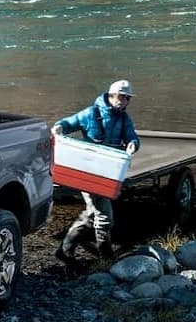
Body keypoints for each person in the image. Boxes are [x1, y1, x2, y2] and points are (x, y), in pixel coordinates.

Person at [53, 79, 141, 262]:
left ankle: (65, 250)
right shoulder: (91, 113)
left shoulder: (124, 119)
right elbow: (70, 123)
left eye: (127, 99)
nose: (124, 101)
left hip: (110, 172)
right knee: (104, 215)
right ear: (110, 96)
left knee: (92, 214)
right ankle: (106, 255)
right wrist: (59, 127)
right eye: (121, 97)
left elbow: (132, 136)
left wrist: (133, 144)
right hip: (90, 170)